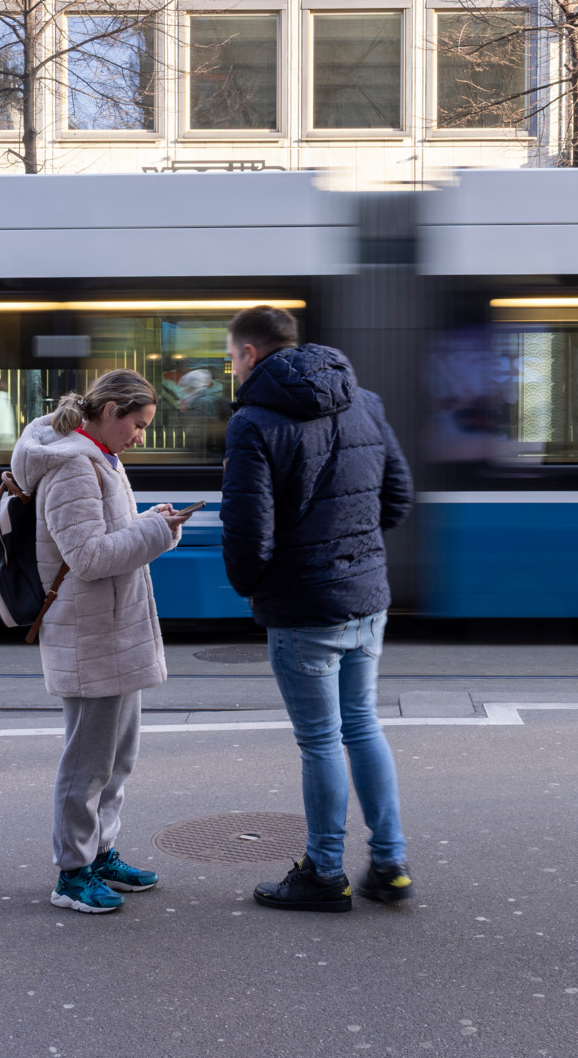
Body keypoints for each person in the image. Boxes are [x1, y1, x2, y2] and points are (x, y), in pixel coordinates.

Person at [220, 305, 415, 913]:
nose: (231, 366)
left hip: (303, 608)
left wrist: (253, 587)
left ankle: (325, 873)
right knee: (362, 725)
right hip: (367, 598)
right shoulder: (366, 401)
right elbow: (398, 497)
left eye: (230, 356)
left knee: (322, 741)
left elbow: (248, 533)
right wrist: (354, 549)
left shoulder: (253, 421)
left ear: (251, 353)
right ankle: (390, 863)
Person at [8, 369, 195, 915]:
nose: (141, 437)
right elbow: (87, 558)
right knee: (88, 761)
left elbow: (104, 537)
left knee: (116, 757)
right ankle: (71, 872)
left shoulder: (98, 457)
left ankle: (100, 853)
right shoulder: (72, 467)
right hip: (91, 633)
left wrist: (151, 521)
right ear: (110, 410)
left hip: (114, 629)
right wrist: (156, 532)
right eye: (137, 425)